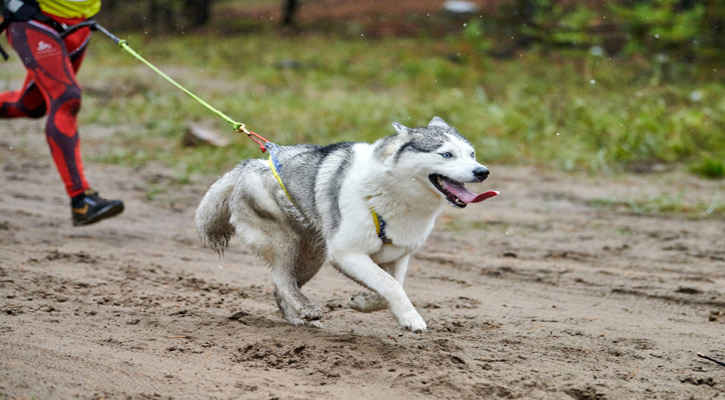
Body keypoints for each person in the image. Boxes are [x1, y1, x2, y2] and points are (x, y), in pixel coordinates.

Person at [0, 0, 123, 226]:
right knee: (66, 97)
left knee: (31, 105)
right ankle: (81, 200)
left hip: (79, 25)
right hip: (31, 18)